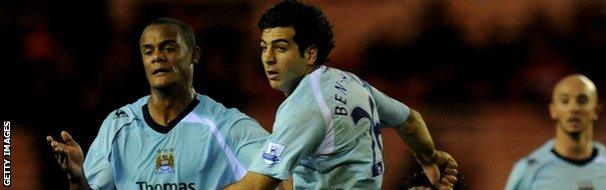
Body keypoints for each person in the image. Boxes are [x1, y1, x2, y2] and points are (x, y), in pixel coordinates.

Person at [225, 1, 458, 189]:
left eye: (281, 47)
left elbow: (256, 186)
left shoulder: (304, 108)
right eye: (264, 46)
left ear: (310, 54)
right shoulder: (350, 82)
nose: (268, 58)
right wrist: (429, 158)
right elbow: (411, 121)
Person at [46, 18, 269, 190]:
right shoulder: (118, 126)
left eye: (168, 47)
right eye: (148, 51)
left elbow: (279, 170)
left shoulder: (227, 126)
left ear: (194, 54)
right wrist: (76, 177)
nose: (157, 57)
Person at [504, 74, 606, 189]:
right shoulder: (528, 170)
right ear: (553, 110)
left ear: (596, 110)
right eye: (565, 101)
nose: (574, 108)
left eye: (582, 101)